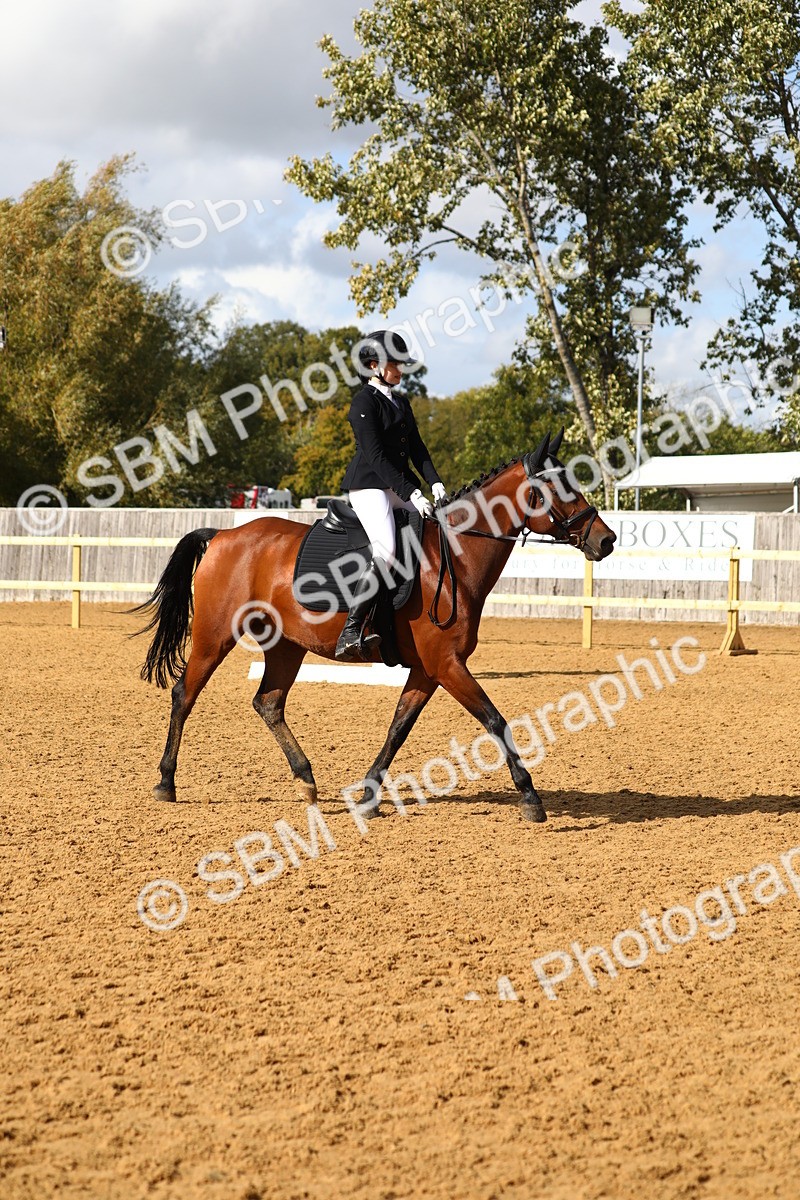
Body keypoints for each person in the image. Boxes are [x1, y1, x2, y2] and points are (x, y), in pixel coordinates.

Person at [335, 330, 447, 661]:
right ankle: (351, 630)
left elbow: (417, 449)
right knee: (386, 551)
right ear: (374, 366)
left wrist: (435, 482)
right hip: (369, 486)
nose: (400, 369)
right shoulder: (364, 402)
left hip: (396, 486)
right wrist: (412, 491)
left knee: (433, 525)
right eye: (394, 363)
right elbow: (377, 458)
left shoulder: (401, 402)